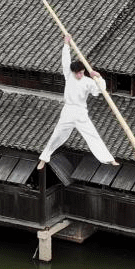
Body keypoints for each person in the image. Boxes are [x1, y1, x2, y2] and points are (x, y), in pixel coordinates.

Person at [38, 36, 118, 169]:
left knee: (92, 134)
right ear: (73, 72)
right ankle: (44, 158)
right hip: (68, 110)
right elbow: (65, 60)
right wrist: (66, 45)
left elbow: (99, 90)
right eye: (77, 73)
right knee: (57, 134)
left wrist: (98, 77)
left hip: (81, 111)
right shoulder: (69, 75)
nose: (79, 75)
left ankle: (109, 159)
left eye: (81, 73)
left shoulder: (88, 81)